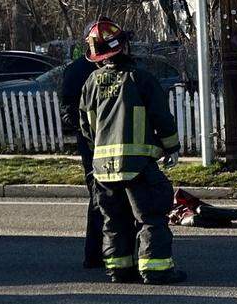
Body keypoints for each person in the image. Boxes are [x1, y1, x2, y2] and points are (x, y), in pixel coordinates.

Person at [79, 18, 186, 285]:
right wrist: (171, 147)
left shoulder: (91, 83)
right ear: (124, 47)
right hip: (138, 166)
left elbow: (87, 126)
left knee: (113, 221)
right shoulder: (141, 79)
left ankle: (119, 270)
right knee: (151, 217)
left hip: (103, 169)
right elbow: (162, 117)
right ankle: (156, 270)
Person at [59, 22, 112, 270]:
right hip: (92, 144)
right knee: (99, 197)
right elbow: (68, 109)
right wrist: (86, 130)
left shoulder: (113, 68)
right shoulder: (79, 71)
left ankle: (112, 252)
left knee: (108, 199)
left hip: (111, 140)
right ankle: (95, 254)